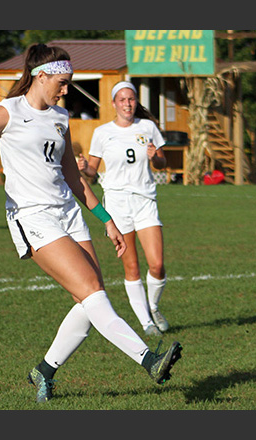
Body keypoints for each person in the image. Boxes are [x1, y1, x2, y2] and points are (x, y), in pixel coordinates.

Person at [0, 43, 182, 403]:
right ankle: (149, 360)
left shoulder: (59, 117)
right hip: (32, 215)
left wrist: (107, 220)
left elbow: (74, 178)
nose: (67, 89)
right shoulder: (7, 112)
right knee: (92, 292)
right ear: (41, 77)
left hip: (68, 214)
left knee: (89, 300)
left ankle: (44, 371)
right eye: (63, 81)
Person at [77, 81, 169, 337]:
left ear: (136, 102)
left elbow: (162, 163)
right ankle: (146, 323)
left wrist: (156, 158)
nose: (127, 104)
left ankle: (153, 307)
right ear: (114, 103)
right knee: (131, 268)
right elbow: (93, 172)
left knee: (157, 264)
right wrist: (84, 167)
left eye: (131, 99)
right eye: (122, 100)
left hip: (144, 201)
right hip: (117, 204)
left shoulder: (148, 127)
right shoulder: (102, 132)